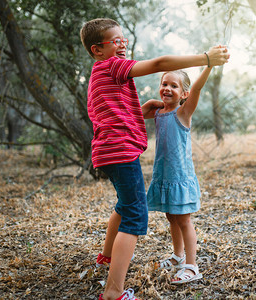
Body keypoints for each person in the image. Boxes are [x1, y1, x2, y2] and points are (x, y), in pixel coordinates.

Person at [79, 18, 229, 300]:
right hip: (121, 152)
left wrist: (141, 109)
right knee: (135, 216)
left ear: (182, 94)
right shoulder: (111, 65)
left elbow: (116, 112)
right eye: (117, 41)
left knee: (126, 206)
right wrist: (206, 58)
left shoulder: (99, 74)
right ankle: (113, 292)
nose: (123, 45)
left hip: (108, 152)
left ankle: (109, 256)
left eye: (124, 40)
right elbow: (160, 63)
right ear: (98, 49)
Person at [146, 65, 219, 284]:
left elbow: (197, 89)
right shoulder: (158, 112)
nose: (167, 88)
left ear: (184, 93)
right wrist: (149, 104)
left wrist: (209, 66)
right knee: (171, 216)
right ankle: (177, 257)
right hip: (164, 175)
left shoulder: (182, 113)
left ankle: (192, 265)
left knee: (184, 220)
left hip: (179, 177)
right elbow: (134, 115)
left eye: (173, 86)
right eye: (164, 84)